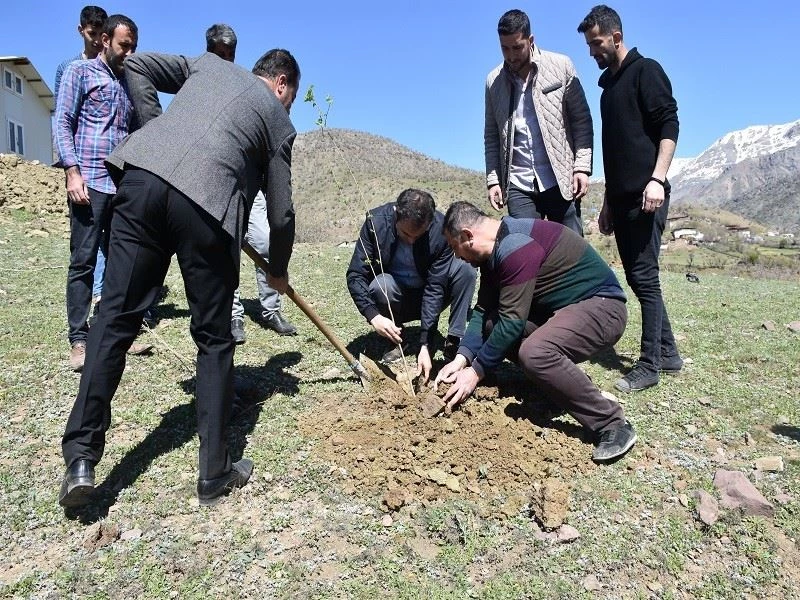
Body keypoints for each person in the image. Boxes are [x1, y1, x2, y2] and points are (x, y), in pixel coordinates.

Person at [58, 48, 300, 509]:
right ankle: (214, 473)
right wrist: (278, 269)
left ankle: (80, 460)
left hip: (143, 180)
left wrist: (154, 129)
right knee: (213, 337)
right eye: (288, 98)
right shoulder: (276, 118)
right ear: (283, 83)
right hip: (207, 209)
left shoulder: (209, 66)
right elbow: (282, 211)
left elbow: (138, 65)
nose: (286, 107)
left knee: (113, 320)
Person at [434, 201, 636, 462]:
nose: (457, 257)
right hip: (562, 312)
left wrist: (475, 372)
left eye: (454, 247)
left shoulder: (515, 246)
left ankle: (612, 423)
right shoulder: (494, 254)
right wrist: (462, 358)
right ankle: (555, 385)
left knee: (535, 352)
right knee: (490, 324)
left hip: (602, 309)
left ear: (467, 236)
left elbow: (513, 321)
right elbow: (484, 310)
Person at [578, 5, 683, 392]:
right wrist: (607, 201)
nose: (592, 52)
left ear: (616, 37)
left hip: (648, 194)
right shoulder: (608, 88)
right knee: (640, 280)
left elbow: (669, 125)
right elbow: (614, 149)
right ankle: (668, 353)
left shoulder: (646, 71)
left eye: (596, 43)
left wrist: (658, 179)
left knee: (645, 277)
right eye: (589, 45)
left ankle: (649, 364)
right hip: (621, 200)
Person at [202, 23, 298, 342]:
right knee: (226, 251)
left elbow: (280, 209)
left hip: (254, 186)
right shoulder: (211, 85)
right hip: (224, 186)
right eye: (219, 53)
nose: (225, 59)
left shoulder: (249, 88)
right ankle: (232, 314)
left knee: (265, 241)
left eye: (230, 54)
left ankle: (270, 308)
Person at [54, 14, 138, 372]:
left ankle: (112, 333)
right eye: (124, 45)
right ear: (105, 40)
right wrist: (71, 171)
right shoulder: (80, 72)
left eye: (133, 46)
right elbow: (62, 121)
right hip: (88, 182)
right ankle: (79, 338)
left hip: (120, 187)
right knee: (84, 261)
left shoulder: (131, 81)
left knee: (121, 263)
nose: (129, 52)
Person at [346, 189, 477, 383]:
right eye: (406, 234)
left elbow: (435, 287)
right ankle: (395, 336)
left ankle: (454, 339)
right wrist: (373, 315)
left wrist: (425, 343)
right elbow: (356, 274)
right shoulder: (376, 223)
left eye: (419, 236)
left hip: (429, 293)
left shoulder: (440, 230)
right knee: (380, 285)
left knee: (466, 269)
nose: (411, 240)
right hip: (396, 298)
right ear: (395, 214)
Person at [484, 9, 593, 235]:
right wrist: (493, 180)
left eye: (517, 47)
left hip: (560, 179)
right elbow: (492, 135)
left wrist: (581, 167)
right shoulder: (493, 82)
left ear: (530, 40)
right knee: (524, 252)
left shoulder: (561, 66)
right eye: (504, 48)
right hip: (518, 184)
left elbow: (582, 120)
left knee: (570, 252)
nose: (511, 55)